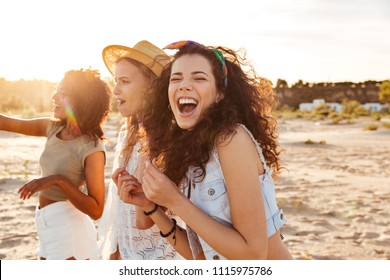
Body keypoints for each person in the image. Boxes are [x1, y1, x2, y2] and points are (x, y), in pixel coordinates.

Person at [120, 40, 294, 260]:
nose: (184, 85)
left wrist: (174, 201)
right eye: (176, 79)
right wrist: (151, 207)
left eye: (199, 78)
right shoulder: (189, 149)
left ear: (220, 93)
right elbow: (202, 256)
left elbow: (254, 256)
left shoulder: (231, 138)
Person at [0, 69, 111, 260]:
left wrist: (57, 180)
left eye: (62, 92)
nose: (54, 96)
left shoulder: (92, 148)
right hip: (45, 224)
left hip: (69, 230)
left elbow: (96, 210)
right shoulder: (53, 127)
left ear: (81, 100)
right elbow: (6, 122)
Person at [96, 40, 182, 260]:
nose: (115, 90)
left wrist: (134, 194)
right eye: (116, 81)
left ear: (153, 87)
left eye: (124, 81)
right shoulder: (128, 131)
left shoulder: (163, 139)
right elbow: (117, 217)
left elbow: (143, 222)